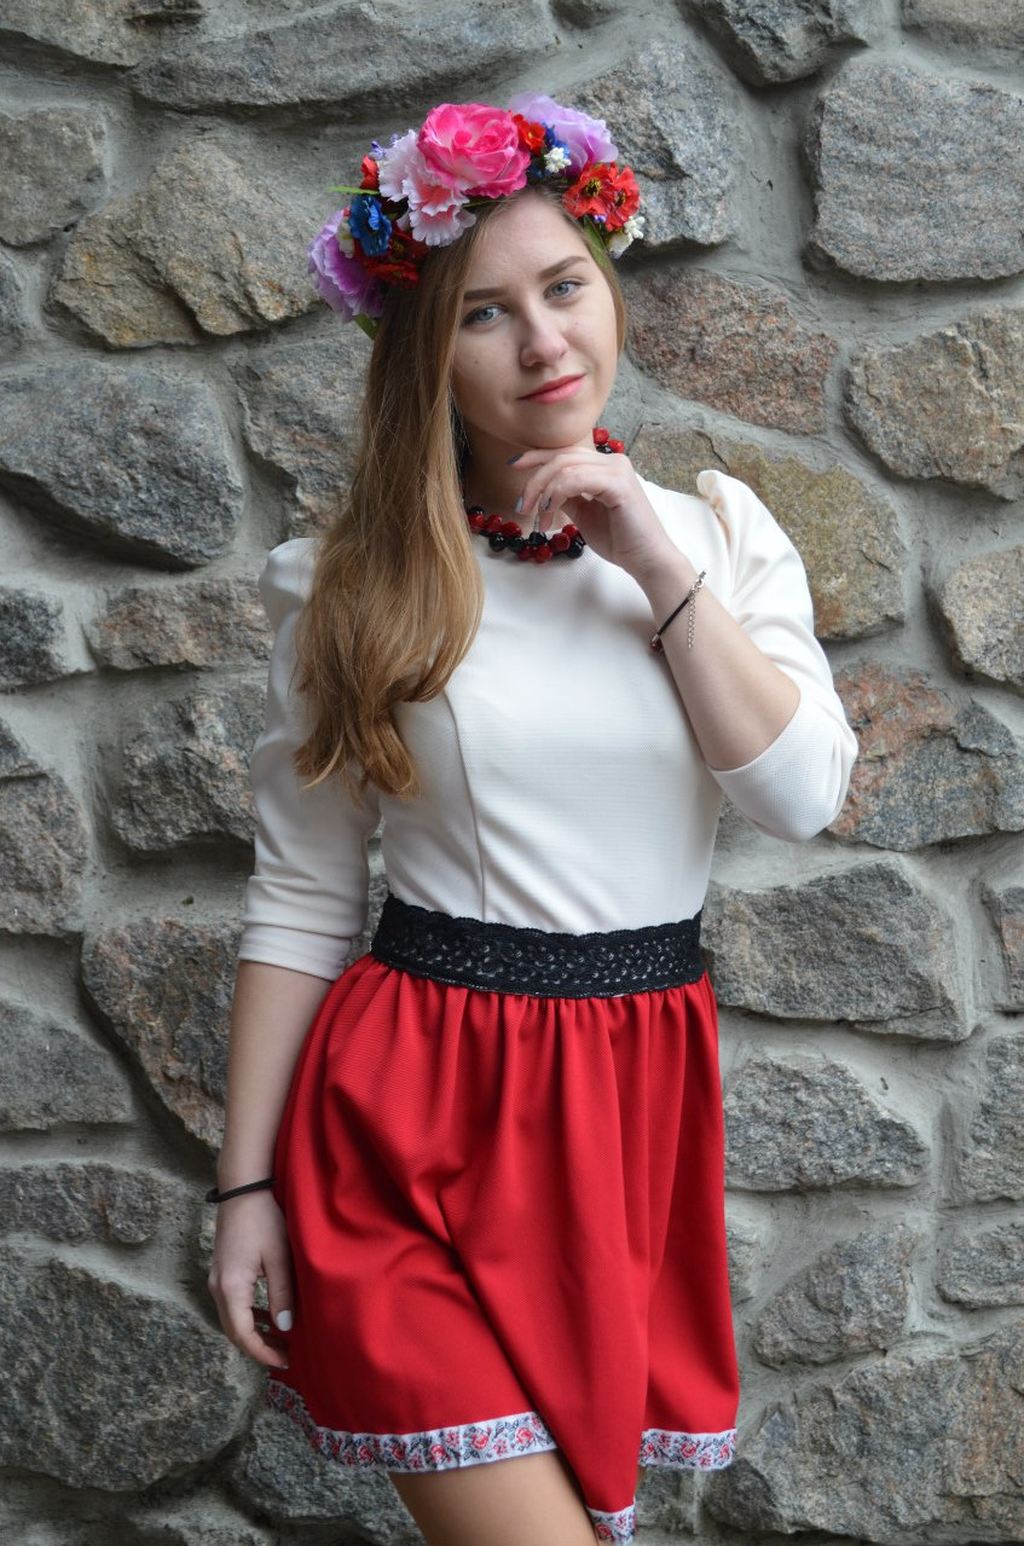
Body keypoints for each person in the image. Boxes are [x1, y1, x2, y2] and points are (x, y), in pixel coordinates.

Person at [205, 95, 860, 1546]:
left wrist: (650, 560)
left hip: (622, 1119)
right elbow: (302, 899)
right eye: (485, 314)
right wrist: (244, 1186)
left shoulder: (721, 537)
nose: (544, 341)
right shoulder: (350, 582)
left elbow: (801, 796)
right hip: (409, 1118)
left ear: (609, 289)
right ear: (428, 355)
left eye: (565, 288)